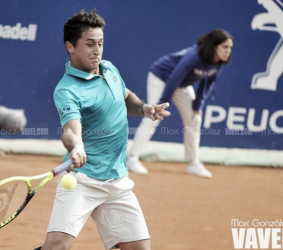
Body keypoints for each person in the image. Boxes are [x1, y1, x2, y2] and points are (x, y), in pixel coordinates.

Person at [39, 10, 170, 250]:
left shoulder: (108, 69)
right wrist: (76, 145)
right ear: (70, 46)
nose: (97, 50)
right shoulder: (67, 90)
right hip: (83, 180)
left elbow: (124, 95)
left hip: (117, 181)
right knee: (57, 246)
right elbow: (70, 129)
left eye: (100, 43)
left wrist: (144, 109)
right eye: (89, 44)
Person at [127, 29, 234, 177]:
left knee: (194, 118)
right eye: (225, 47)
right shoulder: (193, 56)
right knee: (153, 115)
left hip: (181, 85)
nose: (228, 51)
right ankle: (132, 158)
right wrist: (162, 103)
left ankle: (193, 163)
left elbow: (207, 83)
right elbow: (174, 78)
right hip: (161, 77)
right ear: (214, 46)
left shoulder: (218, 62)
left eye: (230, 47)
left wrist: (197, 106)